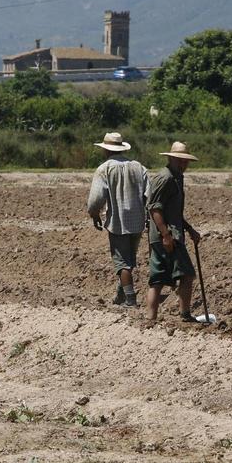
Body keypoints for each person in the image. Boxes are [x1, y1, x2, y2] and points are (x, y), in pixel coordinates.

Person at [87, 132, 148, 307]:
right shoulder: (138, 167)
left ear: (106, 151)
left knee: (122, 263)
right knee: (129, 260)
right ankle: (120, 296)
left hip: (118, 222)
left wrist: (94, 214)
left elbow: (96, 199)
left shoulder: (104, 169)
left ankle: (130, 300)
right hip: (137, 222)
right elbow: (148, 195)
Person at [144, 142, 201, 322]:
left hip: (172, 235)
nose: (183, 164)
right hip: (167, 237)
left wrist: (189, 228)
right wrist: (166, 235)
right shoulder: (166, 178)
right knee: (182, 274)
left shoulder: (177, 177)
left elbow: (173, 212)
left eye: (185, 161)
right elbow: (154, 209)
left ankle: (153, 318)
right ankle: (180, 315)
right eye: (180, 160)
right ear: (171, 158)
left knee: (163, 278)